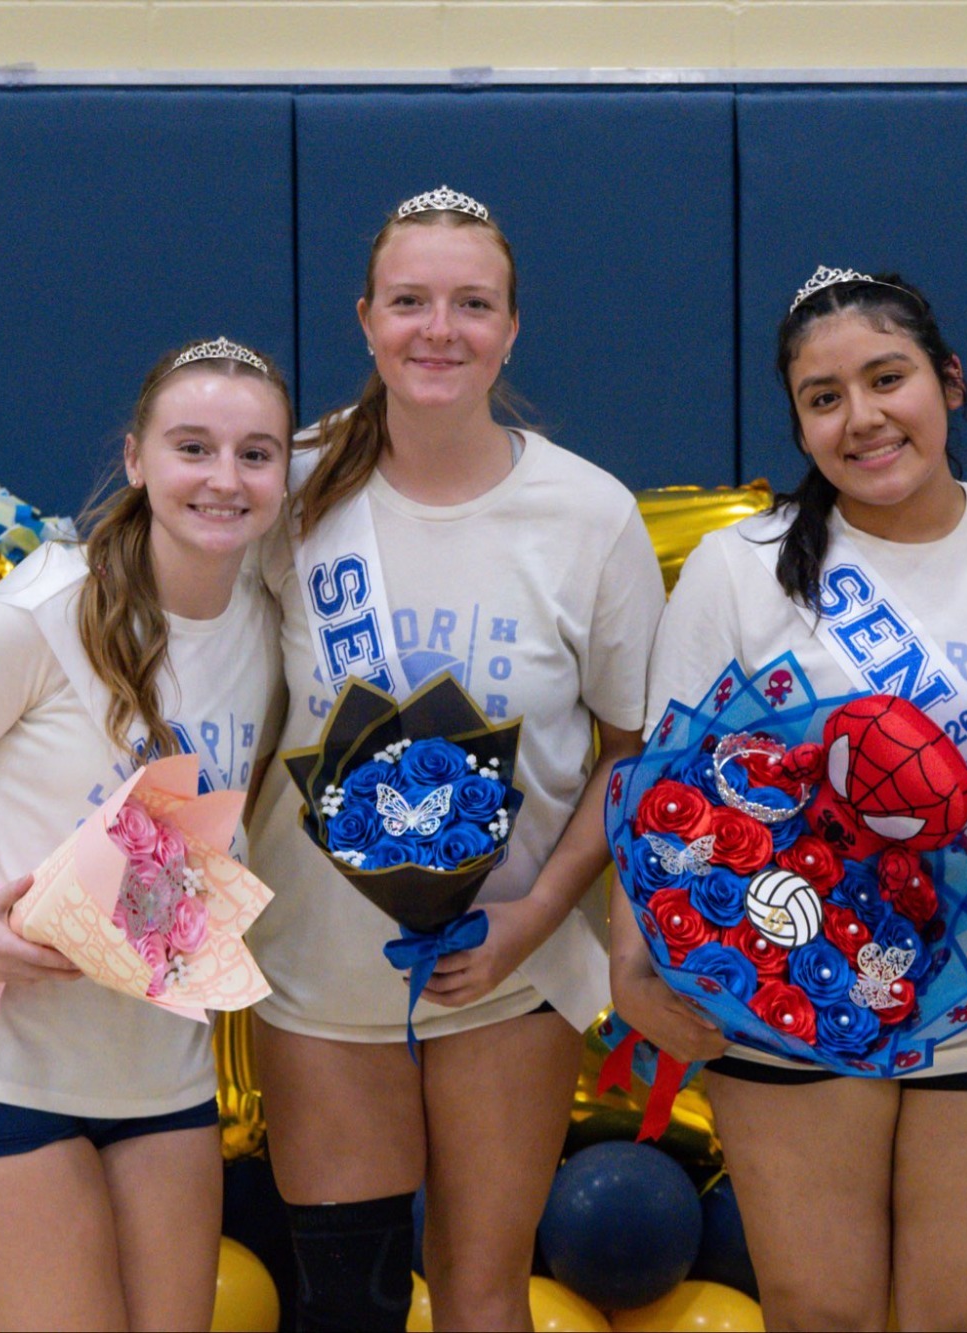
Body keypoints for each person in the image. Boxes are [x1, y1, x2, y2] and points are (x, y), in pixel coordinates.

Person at [613, 267, 967, 1331]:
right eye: (823, 398)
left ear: (948, 383)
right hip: (793, 996)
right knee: (818, 1312)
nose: (861, 418)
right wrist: (631, 967)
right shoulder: (739, 570)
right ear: (798, 423)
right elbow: (663, 791)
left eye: (887, 378)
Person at [243, 185, 667, 1332]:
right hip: (320, 968)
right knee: (350, 1305)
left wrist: (533, 920)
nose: (440, 329)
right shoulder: (282, 490)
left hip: (507, 972)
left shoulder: (587, 515)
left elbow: (631, 751)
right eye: (410, 301)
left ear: (511, 327)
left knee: (484, 1295)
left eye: (471, 304)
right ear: (366, 319)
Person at [0, 338, 292, 1330]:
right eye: (193, 446)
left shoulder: (271, 631)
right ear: (135, 458)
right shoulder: (44, 610)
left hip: (159, 1086)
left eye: (255, 454)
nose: (224, 478)